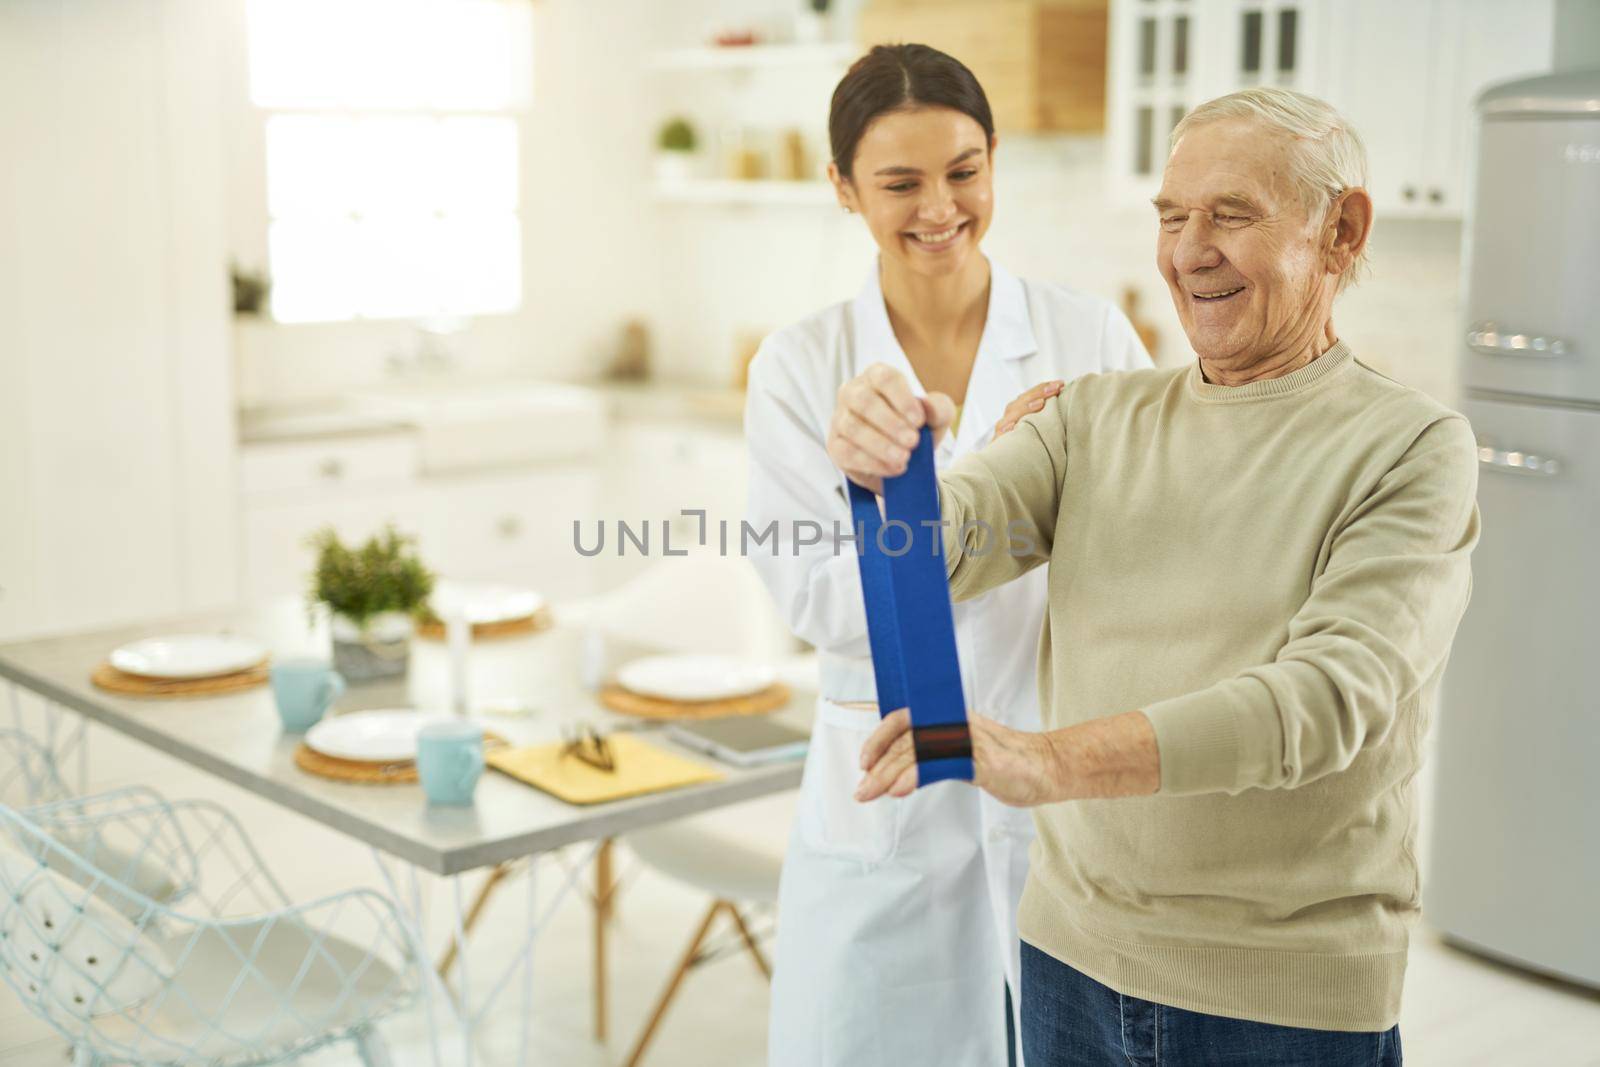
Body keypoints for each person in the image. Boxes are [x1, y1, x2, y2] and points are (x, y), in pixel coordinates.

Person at [833, 87, 1479, 1065]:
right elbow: (933, 555)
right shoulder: (1092, 418)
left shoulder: (1410, 448)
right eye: (1172, 217)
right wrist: (882, 469)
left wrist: (1045, 761)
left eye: (1231, 214)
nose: (1187, 252)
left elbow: (1322, 701)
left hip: (1278, 998)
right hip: (1066, 960)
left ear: (1340, 230)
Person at [743, 44, 1150, 1067]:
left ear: (995, 161)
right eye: (900, 182)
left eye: (965, 170)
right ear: (842, 188)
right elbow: (823, 603)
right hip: (888, 812)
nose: (940, 206)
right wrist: (991, 493)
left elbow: (1156, 545)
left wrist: (1004, 484)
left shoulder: (1087, 335)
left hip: (1056, 793)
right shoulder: (802, 367)